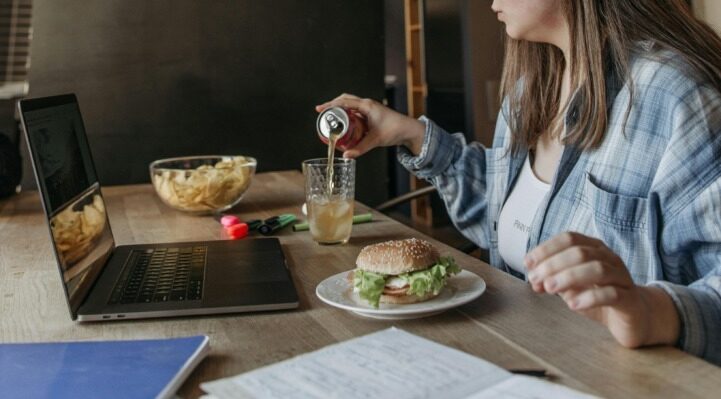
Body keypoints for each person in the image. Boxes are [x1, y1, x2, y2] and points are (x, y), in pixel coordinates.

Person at [316, 0, 721, 365]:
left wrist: (651, 312)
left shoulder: (676, 97)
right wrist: (412, 134)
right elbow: (509, 222)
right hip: (515, 358)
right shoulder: (529, 90)